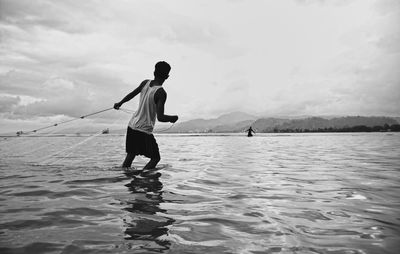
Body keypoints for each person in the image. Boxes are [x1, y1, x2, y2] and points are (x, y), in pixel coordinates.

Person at [114, 61, 178, 171]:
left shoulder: (145, 83)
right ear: (167, 76)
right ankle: (143, 178)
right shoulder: (161, 92)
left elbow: (131, 95)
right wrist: (173, 118)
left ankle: (127, 182)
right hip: (143, 129)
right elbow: (161, 117)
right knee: (155, 158)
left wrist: (120, 103)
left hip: (132, 125)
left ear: (154, 72)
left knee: (130, 155)